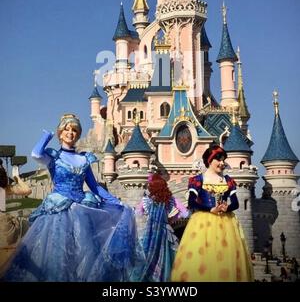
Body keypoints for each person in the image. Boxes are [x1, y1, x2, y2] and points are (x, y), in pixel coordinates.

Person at [2, 114, 144, 282]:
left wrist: (117, 202)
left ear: (78, 134)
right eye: (66, 129)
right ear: (60, 133)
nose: (70, 133)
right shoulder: (53, 157)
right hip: (58, 212)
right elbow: (36, 153)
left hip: (81, 210)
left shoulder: (84, 159)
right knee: (57, 258)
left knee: (84, 256)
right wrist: (47, 135)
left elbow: (95, 187)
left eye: (74, 130)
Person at [171, 144, 254, 282]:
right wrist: (210, 209)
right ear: (209, 160)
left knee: (225, 258)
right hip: (203, 223)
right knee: (203, 257)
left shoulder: (228, 181)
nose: (222, 163)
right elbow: (192, 203)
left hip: (226, 223)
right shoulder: (197, 180)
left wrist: (227, 208)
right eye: (219, 160)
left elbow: (236, 203)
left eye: (223, 160)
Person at [135, 173, 188, 282]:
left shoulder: (146, 201)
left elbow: (138, 212)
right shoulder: (170, 199)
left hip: (150, 232)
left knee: (147, 255)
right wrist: (172, 218)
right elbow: (185, 213)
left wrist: (148, 214)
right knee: (168, 257)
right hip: (165, 231)